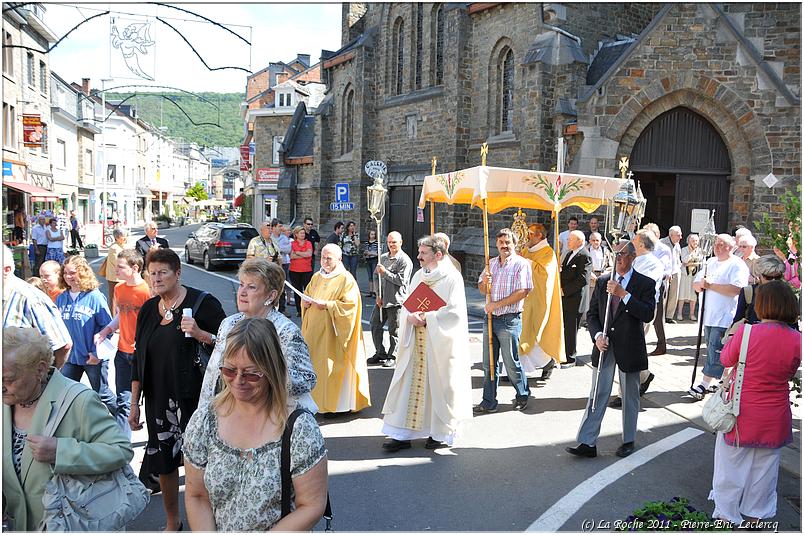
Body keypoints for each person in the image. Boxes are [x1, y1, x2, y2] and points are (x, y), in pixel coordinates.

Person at [183, 317, 328, 531]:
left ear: (272, 370)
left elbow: (311, 505)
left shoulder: (299, 428)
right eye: (229, 370)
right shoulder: (205, 420)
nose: (238, 380)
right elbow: (197, 495)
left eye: (251, 374)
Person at [129, 248, 225, 531]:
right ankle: (173, 521)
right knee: (164, 463)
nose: (156, 278)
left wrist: (200, 334)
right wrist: (134, 404)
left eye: (163, 272)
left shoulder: (203, 303)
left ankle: (206, 523)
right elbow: (138, 359)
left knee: (201, 463)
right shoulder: (149, 309)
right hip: (158, 400)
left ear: (178, 273)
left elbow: (232, 344)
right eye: (152, 273)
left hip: (196, 400)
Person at [2, 327, 134, 531]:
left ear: (40, 370)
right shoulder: (6, 403)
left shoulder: (79, 400)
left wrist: (61, 452)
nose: (1, 386)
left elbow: (121, 450)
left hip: (73, 524)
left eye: (8, 379)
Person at [709, 281, 800, 526]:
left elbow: (726, 359)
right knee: (765, 470)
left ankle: (727, 515)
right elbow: (791, 372)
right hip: (776, 414)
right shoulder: (797, 339)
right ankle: (755, 515)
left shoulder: (747, 332)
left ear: (762, 305)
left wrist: (732, 337)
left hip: (742, 411)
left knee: (730, 466)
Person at [565, 240, 656, 459]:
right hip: (605, 346)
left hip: (629, 346)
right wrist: (597, 336)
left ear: (633, 257)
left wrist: (624, 295)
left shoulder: (645, 283)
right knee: (598, 393)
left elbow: (647, 314)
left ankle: (628, 440)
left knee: (630, 396)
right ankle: (587, 441)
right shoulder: (604, 281)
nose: (618, 258)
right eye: (615, 254)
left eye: (622, 254)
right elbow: (592, 315)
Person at [381, 235, 473, 451]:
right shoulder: (419, 275)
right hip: (415, 342)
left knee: (438, 388)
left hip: (439, 344)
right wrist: (410, 316)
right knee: (408, 387)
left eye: (423, 253)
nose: (418, 257)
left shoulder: (452, 278)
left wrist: (427, 318)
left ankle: (437, 433)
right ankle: (402, 435)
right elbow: (408, 303)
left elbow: (455, 312)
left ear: (438, 255)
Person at [198, 259, 317, 412]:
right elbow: (212, 374)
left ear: (271, 295)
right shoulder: (229, 324)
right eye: (241, 284)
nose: (242, 292)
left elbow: (307, 380)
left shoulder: (285, 331)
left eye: (251, 287)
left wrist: (265, 370)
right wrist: (204, 411)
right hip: (228, 410)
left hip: (268, 414)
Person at [302, 244, 371, 416]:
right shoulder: (317, 277)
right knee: (316, 368)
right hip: (315, 335)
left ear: (339, 259)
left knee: (331, 369)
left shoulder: (346, 279)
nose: (324, 261)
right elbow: (307, 294)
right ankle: (317, 403)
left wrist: (328, 305)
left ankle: (338, 406)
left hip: (334, 335)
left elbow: (350, 306)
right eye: (322, 257)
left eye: (329, 258)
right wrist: (306, 302)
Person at [473, 228, 533, 413]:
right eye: (501, 243)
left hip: (509, 319)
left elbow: (523, 291)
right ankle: (488, 401)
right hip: (490, 319)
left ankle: (522, 394)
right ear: (496, 244)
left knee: (511, 363)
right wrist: (485, 283)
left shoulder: (521, 264)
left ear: (514, 244)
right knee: (489, 363)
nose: (504, 246)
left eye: (508, 242)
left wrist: (496, 305)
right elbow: (481, 288)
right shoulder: (490, 263)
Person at [93, 249, 151, 439]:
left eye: (120, 267)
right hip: (122, 352)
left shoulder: (147, 291)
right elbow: (121, 315)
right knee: (124, 400)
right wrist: (106, 331)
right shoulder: (119, 288)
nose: (116, 270)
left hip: (143, 355)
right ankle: (121, 445)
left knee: (151, 399)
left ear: (135, 268)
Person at [688, 234, 749, 400]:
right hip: (707, 315)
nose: (717, 247)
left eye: (721, 244)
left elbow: (737, 289)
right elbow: (696, 284)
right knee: (715, 348)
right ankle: (724, 380)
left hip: (724, 316)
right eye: (716, 244)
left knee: (715, 349)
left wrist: (711, 285)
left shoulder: (737, 264)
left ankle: (704, 384)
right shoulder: (710, 262)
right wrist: (702, 285)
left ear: (730, 247)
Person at [56, 255, 115, 416]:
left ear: (82, 272)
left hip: (92, 357)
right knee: (65, 394)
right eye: (65, 273)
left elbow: (107, 327)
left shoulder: (94, 297)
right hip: (71, 358)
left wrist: (97, 353)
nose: (68, 276)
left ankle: (124, 420)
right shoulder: (61, 298)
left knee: (102, 394)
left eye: (72, 273)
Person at [3, 246, 72, 368]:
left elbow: (61, 345)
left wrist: (46, 377)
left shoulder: (30, 299)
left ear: (6, 270)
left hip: (23, 377)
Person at [518, 223, 564, 380]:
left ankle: (547, 362)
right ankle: (517, 369)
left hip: (539, 299)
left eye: (530, 234)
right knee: (522, 332)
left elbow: (544, 275)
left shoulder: (548, 253)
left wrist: (526, 262)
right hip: (524, 298)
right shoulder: (527, 250)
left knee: (537, 333)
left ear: (539, 236)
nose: (527, 236)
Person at [367, 231, 413, 367]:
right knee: (375, 325)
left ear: (400, 242)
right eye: (389, 242)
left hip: (396, 300)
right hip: (382, 300)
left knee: (394, 330)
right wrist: (377, 294)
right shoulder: (383, 258)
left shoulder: (404, 260)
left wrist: (385, 272)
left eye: (394, 242)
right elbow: (376, 276)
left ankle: (393, 356)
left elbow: (401, 281)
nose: (391, 245)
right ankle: (380, 352)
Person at [560, 230, 592, 368]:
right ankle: (563, 354)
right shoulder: (569, 253)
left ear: (580, 241)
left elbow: (583, 279)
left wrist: (565, 290)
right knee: (565, 328)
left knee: (571, 330)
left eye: (571, 239)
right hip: (565, 298)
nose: (568, 241)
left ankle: (570, 358)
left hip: (575, 300)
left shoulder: (585, 256)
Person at [731, 255, 787, 326]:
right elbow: (737, 321)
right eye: (768, 277)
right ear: (759, 275)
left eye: (777, 277)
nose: (773, 280)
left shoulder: (786, 293)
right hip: (752, 332)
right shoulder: (748, 292)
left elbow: (793, 324)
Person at [643, 223, 672, 355]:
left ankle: (661, 345)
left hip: (659, 284)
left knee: (658, 316)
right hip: (644, 283)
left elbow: (662, 267)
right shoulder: (644, 246)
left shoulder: (663, 249)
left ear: (657, 235)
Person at [289, 225, 314, 317]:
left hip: (307, 270)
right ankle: (299, 310)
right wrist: (303, 254)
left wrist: (297, 252)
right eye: (301, 233)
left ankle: (308, 309)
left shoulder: (308, 243)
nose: (303, 234)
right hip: (294, 270)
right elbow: (291, 256)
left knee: (307, 291)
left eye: (304, 233)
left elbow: (309, 254)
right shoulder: (292, 244)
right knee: (297, 291)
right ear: (296, 234)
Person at [661, 226, 683, 324]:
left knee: (674, 295)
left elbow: (678, 257)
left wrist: (678, 267)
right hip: (665, 273)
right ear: (671, 235)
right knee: (664, 294)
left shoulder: (677, 244)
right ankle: (660, 315)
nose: (680, 237)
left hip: (675, 271)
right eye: (678, 235)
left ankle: (669, 316)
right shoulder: (662, 243)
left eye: (680, 235)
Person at [677, 233, 701, 321]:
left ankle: (692, 314)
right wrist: (691, 253)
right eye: (693, 241)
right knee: (682, 294)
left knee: (693, 296)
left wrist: (688, 263)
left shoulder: (700, 250)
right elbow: (684, 260)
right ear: (689, 241)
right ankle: (679, 313)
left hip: (695, 275)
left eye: (696, 241)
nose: (695, 242)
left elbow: (700, 262)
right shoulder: (684, 249)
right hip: (685, 275)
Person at [104, 227, 127, 312]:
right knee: (113, 298)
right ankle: (113, 316)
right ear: (117, 237)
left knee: (122, 297)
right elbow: (117, 262)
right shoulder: (114, 248)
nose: (125, 238)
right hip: (114, 277)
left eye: (125, 235)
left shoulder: (123, 246)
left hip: (122, 276)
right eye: (123, 236)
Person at [363, 228, 379, 297]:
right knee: (369, 276)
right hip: (368, 260)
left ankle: (375, 292)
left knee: (374, 275)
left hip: (374, 260)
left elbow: (377, 253)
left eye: (374, 234)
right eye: (371, 234)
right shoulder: (366, 243)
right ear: (369, 235)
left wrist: (371, 253)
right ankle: (371, 291)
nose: (373, 235)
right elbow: (365, 251)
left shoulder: (376, 243)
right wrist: (365, 253)